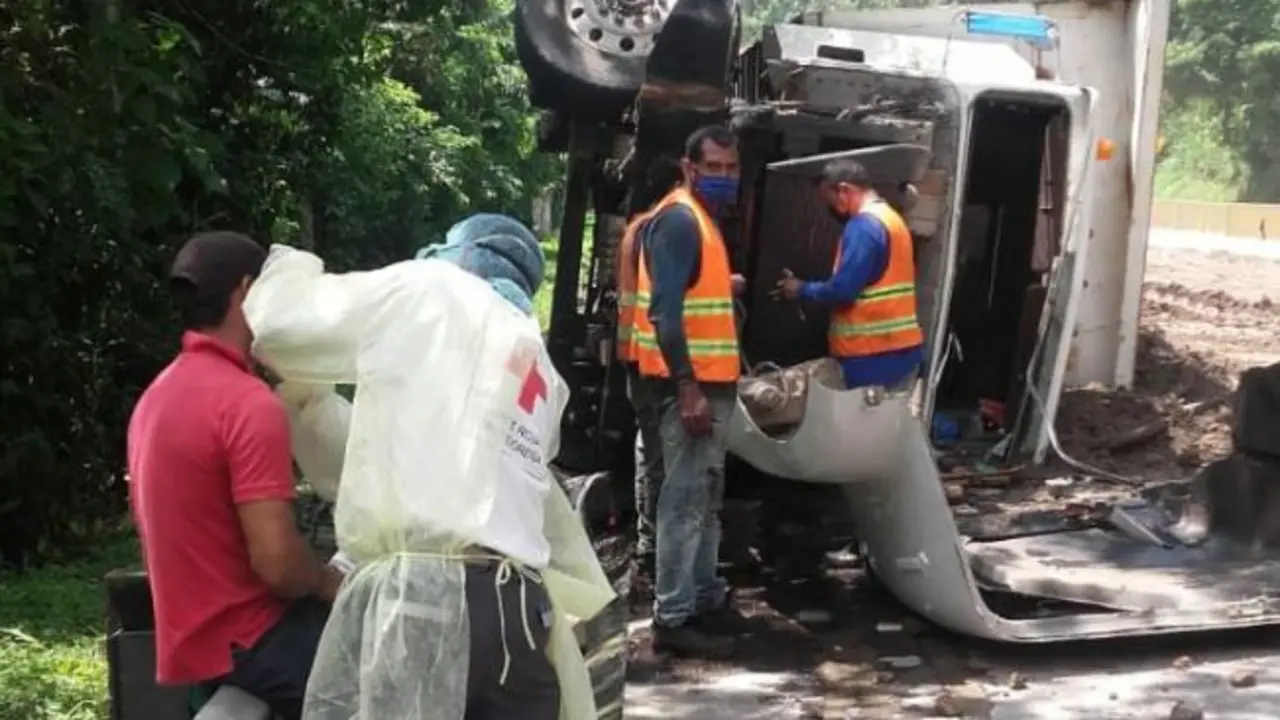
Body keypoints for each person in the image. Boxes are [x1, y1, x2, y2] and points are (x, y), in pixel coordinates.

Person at [241, 214, 615, 720]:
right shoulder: (536, 364)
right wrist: (307, 405)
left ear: (458, 255)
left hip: (430, 600)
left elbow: (281, 325)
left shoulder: (434, 289)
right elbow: (402, 463)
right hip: (522, 615)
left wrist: (288, 264)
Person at [127, 231, 345, 720]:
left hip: (193, 640)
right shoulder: (247, 403)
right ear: (247, 293)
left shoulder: (157, 396)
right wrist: (327, 580)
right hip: (251, 638)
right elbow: (279, 566)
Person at [632, 125, 752, 658]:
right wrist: (687, 387)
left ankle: (703, 596)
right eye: (715, 168)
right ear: (690, 166)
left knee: (705, 497)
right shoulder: (681, 220)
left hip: (712, 384)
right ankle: (673, 615)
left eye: (732, 169)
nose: (725, 178)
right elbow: (665, 312)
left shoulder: (700, 221)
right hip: (690, 386)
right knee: (683, 501)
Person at [774, 158, 924, 390]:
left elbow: (844, 290)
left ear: (843, 191)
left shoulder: (864, 227)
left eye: (830, 201)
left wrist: (800, 288)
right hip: (898, 352)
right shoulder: (892, 220)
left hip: (871, 357)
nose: (830, 210)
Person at [615, 156, 686, 582]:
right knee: (660, 455)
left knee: (650, 447)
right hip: (652, 359)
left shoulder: (636, 227)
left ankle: (648, 543)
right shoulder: (660, 229)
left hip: (635, 353)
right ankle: (654, 549)